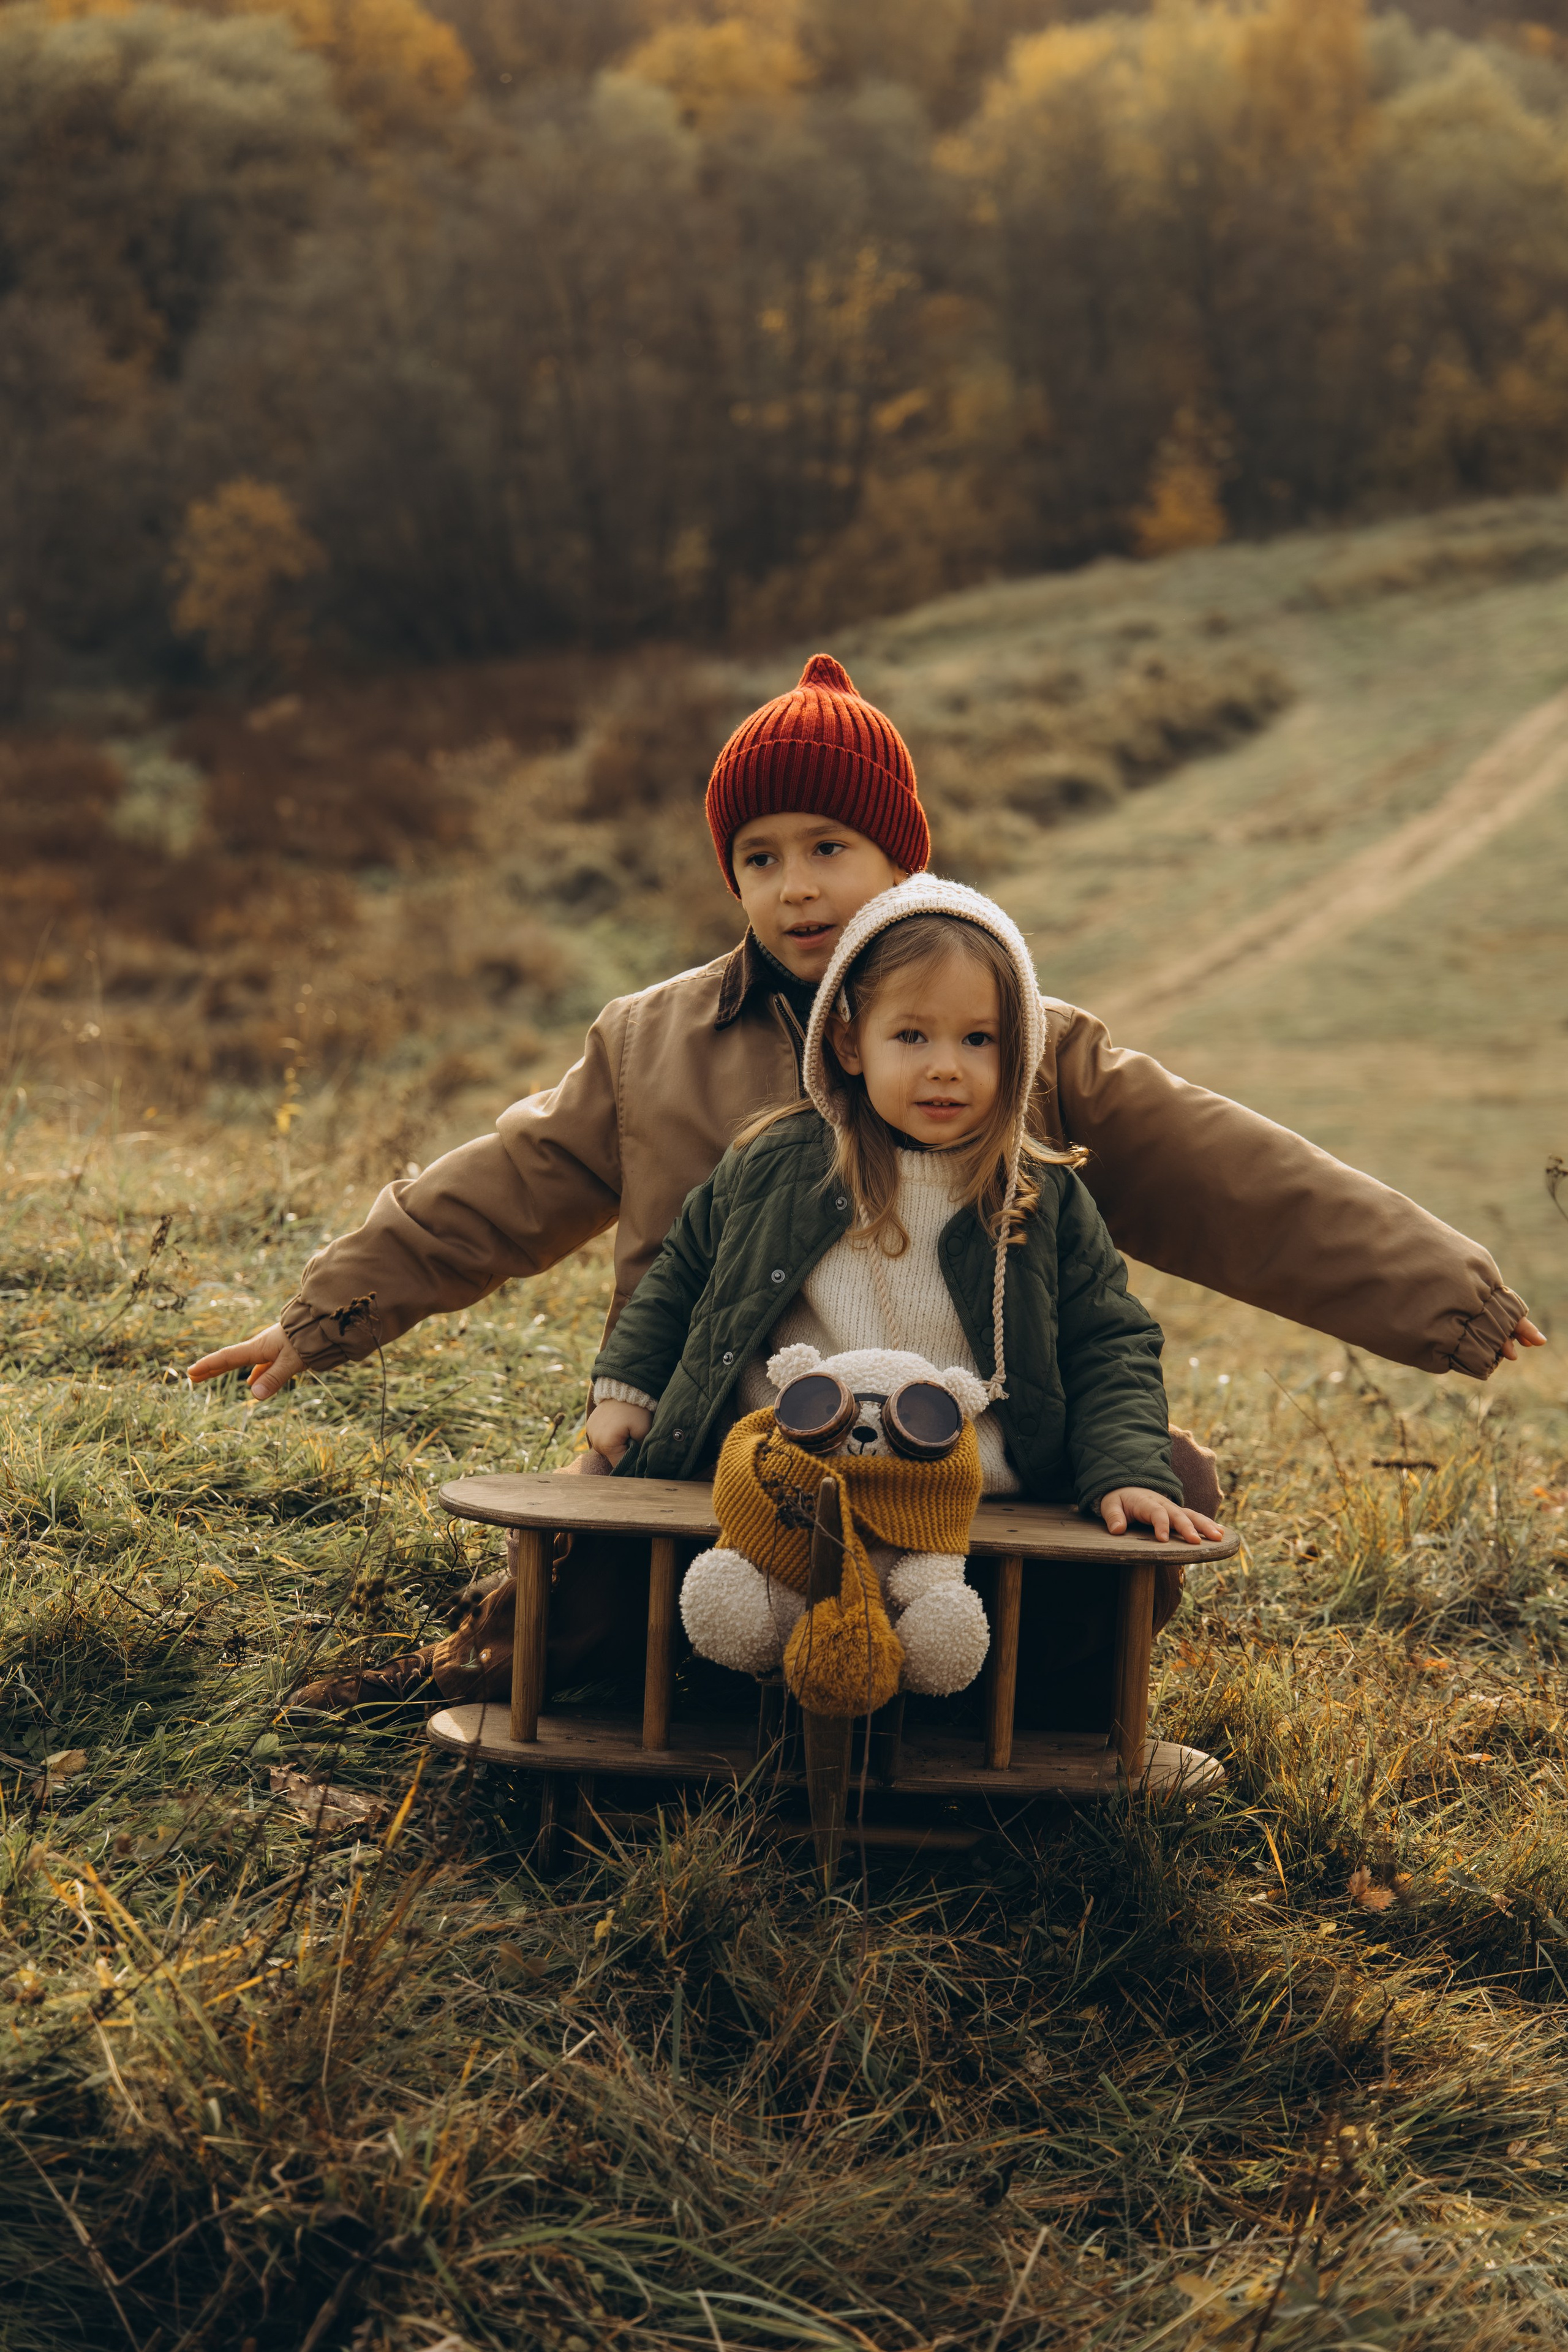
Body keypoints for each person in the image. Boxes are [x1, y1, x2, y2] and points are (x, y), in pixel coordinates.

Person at [187, 654, 1544, 1711]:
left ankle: (991, 1707)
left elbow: (1234, 1177)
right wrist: (323, 1316)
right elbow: (496, 1188)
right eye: (758, 858)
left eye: (829, 848)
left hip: (957, 1457)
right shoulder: (650, 1044)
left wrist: (1442, 1298)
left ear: (905, 860)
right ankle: (561, 1673)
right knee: (582, 1612)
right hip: (717, 1447)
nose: (793, 887)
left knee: (1148, 1494)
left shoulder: (1016, 1041)